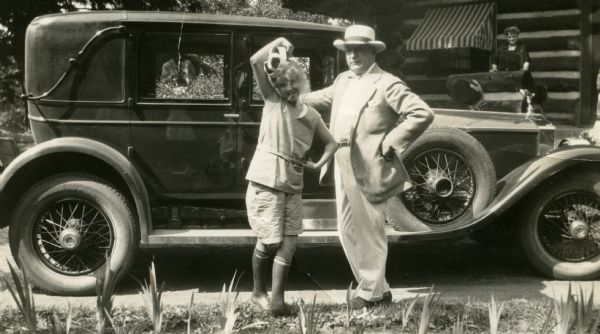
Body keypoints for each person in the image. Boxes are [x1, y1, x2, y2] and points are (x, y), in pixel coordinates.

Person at [305, 25, 434, 308]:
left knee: (370, 229)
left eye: (359, 50)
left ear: (372, 51)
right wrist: (291, 95)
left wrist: (392, 141)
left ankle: (369, 293)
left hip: (369, 165)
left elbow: (422, 112)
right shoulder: (343, 80)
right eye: (348, 51)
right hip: (341, 161)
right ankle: (380, 289)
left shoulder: (387, 82)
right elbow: (322, 97)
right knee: (346, 228)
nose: (352, 56)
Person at [245, 37, 338, 316]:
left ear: (301, 82)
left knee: (290, 243)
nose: (288, 89)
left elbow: (332, 142)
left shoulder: (310, 115)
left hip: (293, 183)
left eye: (292, 84)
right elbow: (254, 61)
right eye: (282, 84)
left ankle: (277, 301)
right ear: (276, 86)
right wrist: (279, 42)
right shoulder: (271, 100)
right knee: (269, 241)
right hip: (267, 180)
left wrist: (316, 164)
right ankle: (257, 292)